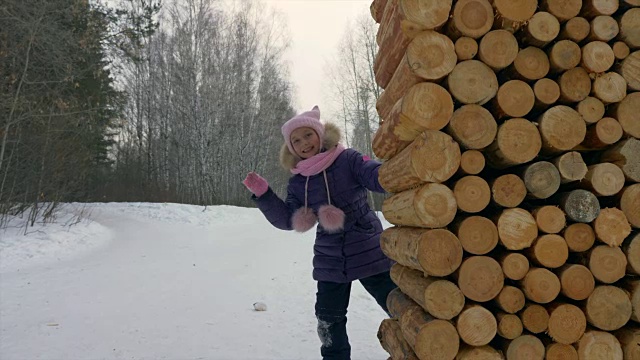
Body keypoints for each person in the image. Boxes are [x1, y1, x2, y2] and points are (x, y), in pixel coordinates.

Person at [242, 105, 396, 360]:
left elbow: (374, 176)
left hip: (368, 248)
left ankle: (424, 345)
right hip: (330, 257)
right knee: (328, 320)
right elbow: (288, 220)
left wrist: (396, 170)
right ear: (291, 148)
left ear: (320, 134)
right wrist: (264, 194)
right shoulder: (299, 181)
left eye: (308, 135)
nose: (304, 143)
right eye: (296, 140)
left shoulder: (348, 159)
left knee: (397, 304)